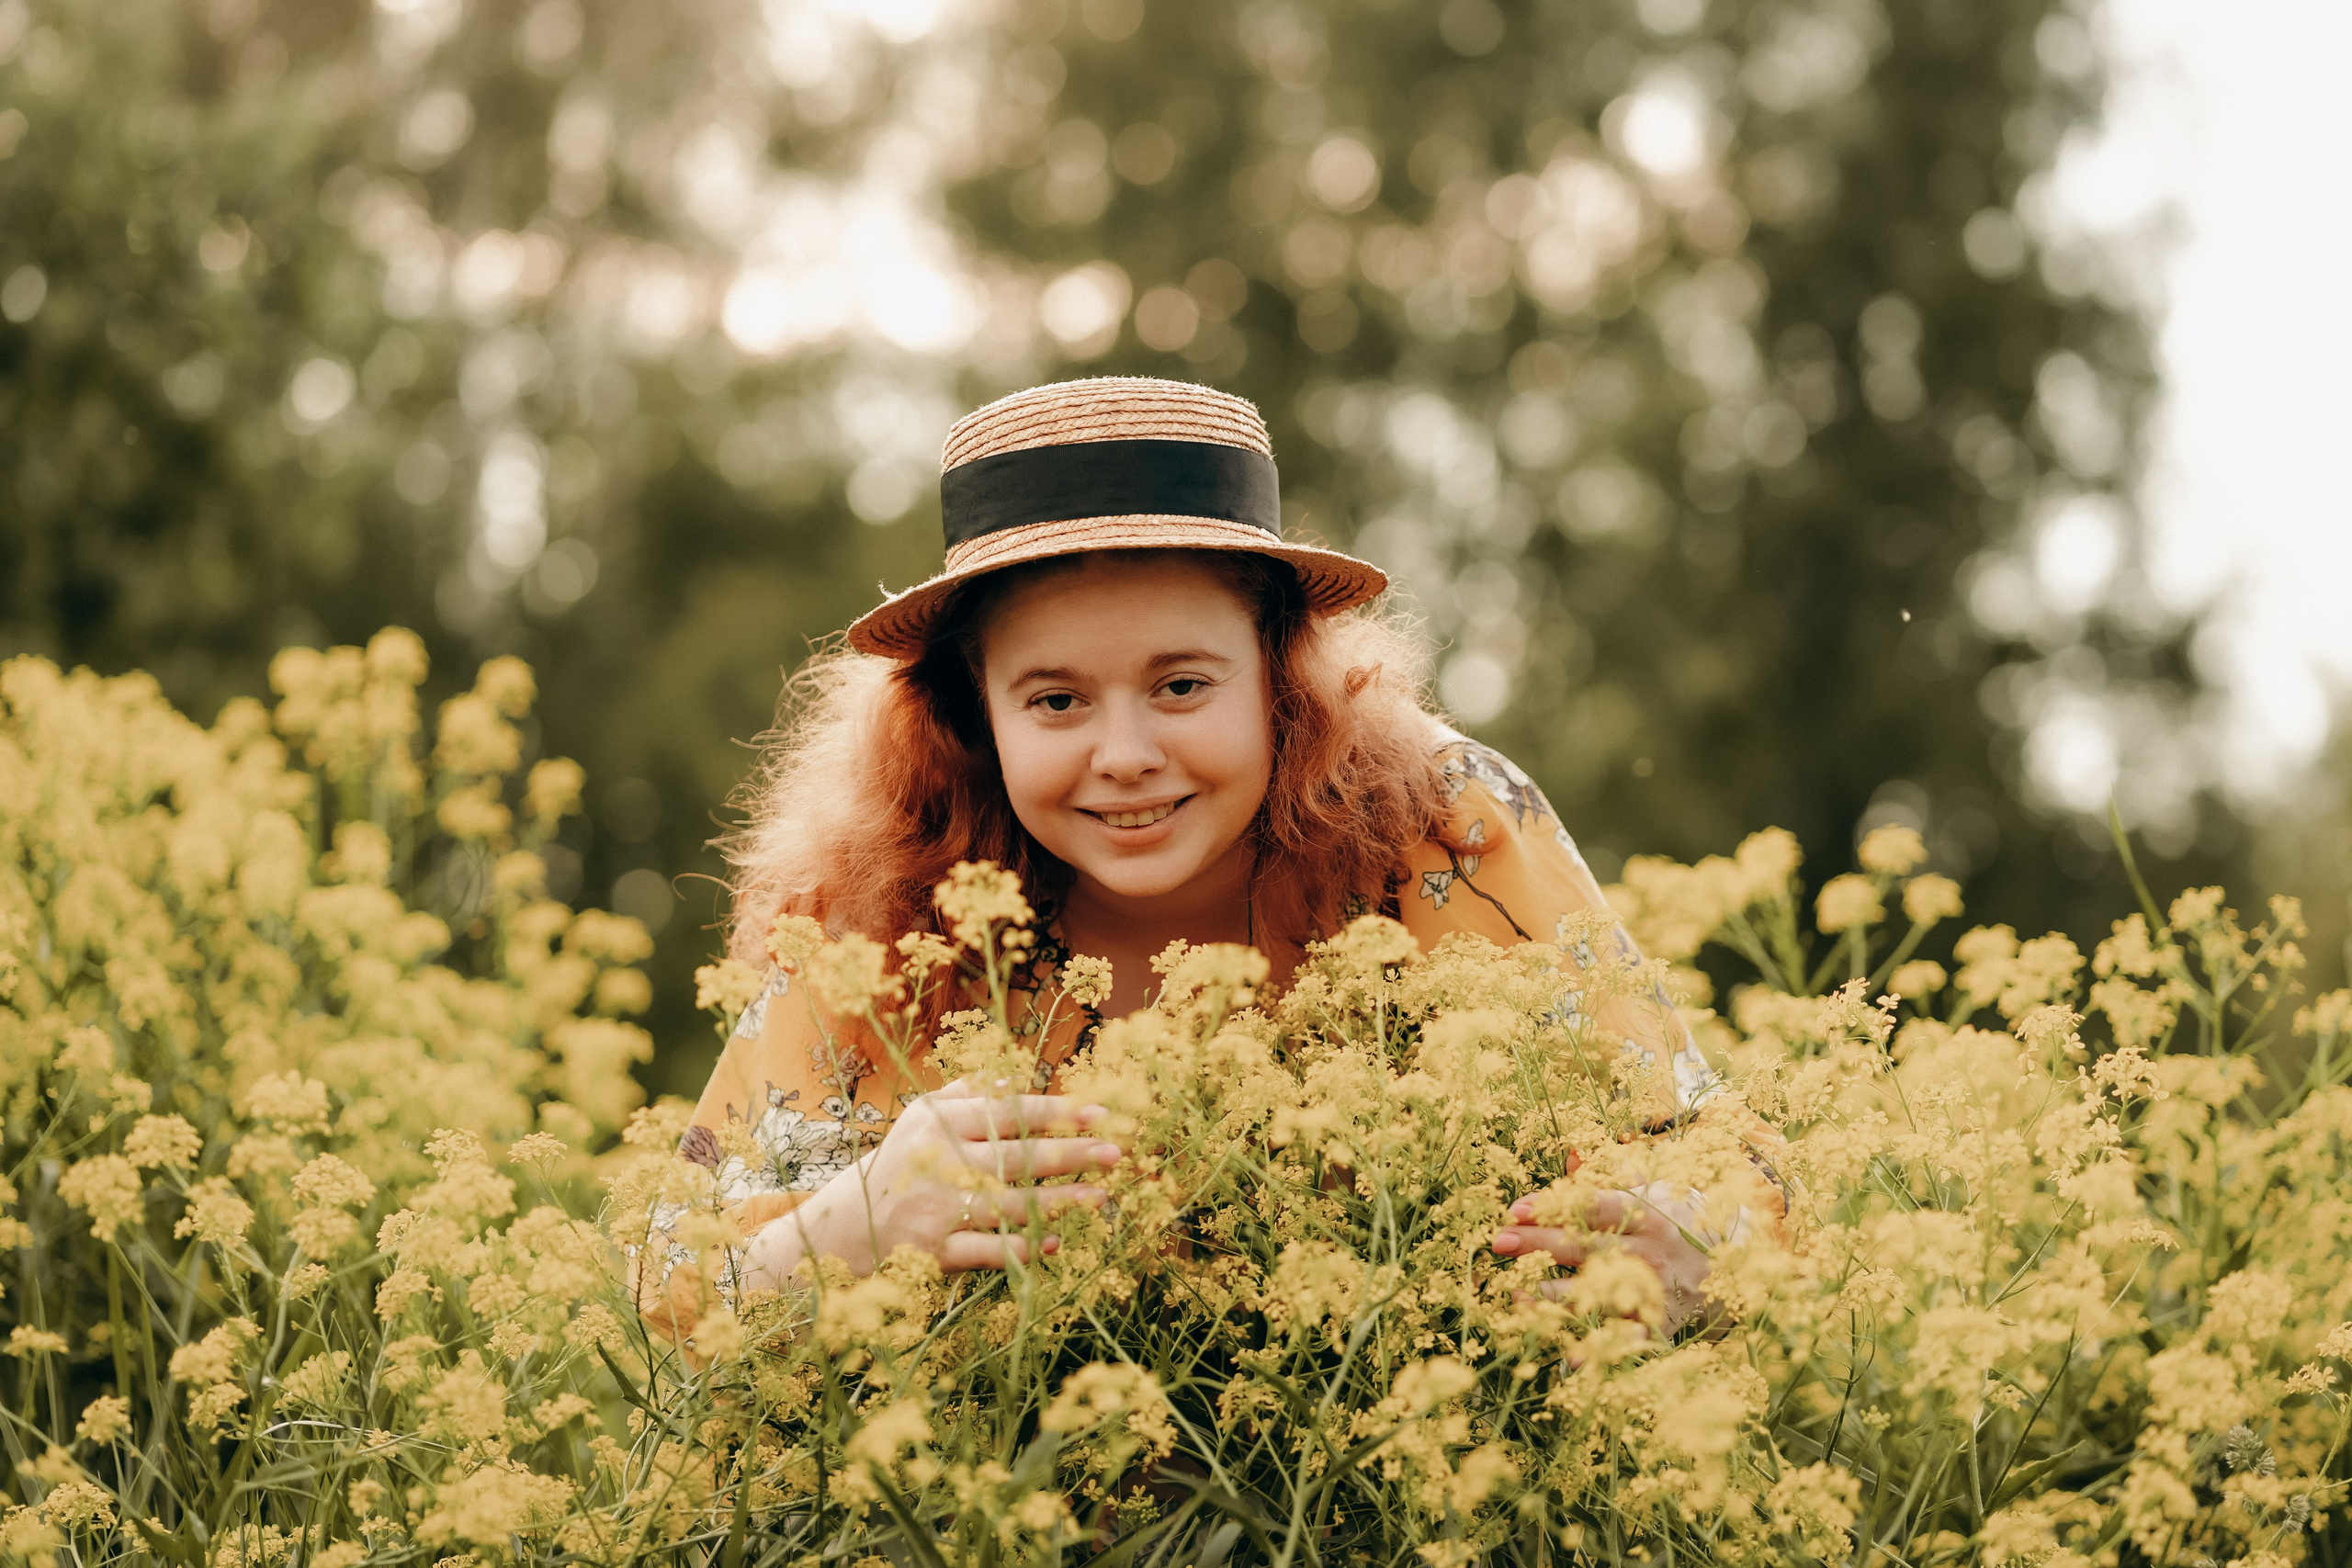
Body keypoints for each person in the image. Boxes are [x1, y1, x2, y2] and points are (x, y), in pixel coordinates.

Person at [641, 376, 1764, 1338]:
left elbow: (1733, 1181)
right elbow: (670, 1292)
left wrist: (1684, 1255)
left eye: (1182, 685)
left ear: (1282, 678)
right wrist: (862, 1224)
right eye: (1055, 700)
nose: (1124, 756)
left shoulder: (1444, 826)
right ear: (973, 713)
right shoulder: (874, 910)